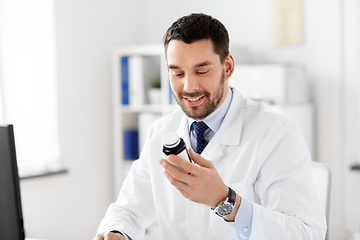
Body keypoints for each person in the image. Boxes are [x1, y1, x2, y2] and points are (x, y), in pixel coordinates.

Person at [93, 13, 326, 240]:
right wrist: (117, 232)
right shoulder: (160, 132)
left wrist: (225, 200)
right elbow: (128, 210)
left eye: (201, 71)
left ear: (228, 67)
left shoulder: (277, 133)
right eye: (177, 73)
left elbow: (306, 233)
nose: (189, 86)